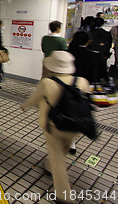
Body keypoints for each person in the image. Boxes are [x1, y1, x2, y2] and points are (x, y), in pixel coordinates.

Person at [21, 51, 90, 204]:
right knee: (62, 150)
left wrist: (24, 106)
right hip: (75, 126)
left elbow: (34, 98)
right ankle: (49, 166)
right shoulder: (82, 81)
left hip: (54, 126)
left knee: (57, 158)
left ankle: (64, 196)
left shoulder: (47, 83)